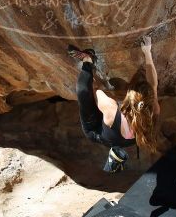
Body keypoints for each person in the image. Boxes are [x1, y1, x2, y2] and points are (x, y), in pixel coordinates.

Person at [68, 36, 161, 171]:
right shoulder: (153, 107)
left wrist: (92, 78)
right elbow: (153, 84)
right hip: (128, 137)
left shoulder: (111, 108)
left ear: (128, 96)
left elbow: (95, 91)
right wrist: (147, 53)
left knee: (82, 91)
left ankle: (87, 60)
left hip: (96, 132)